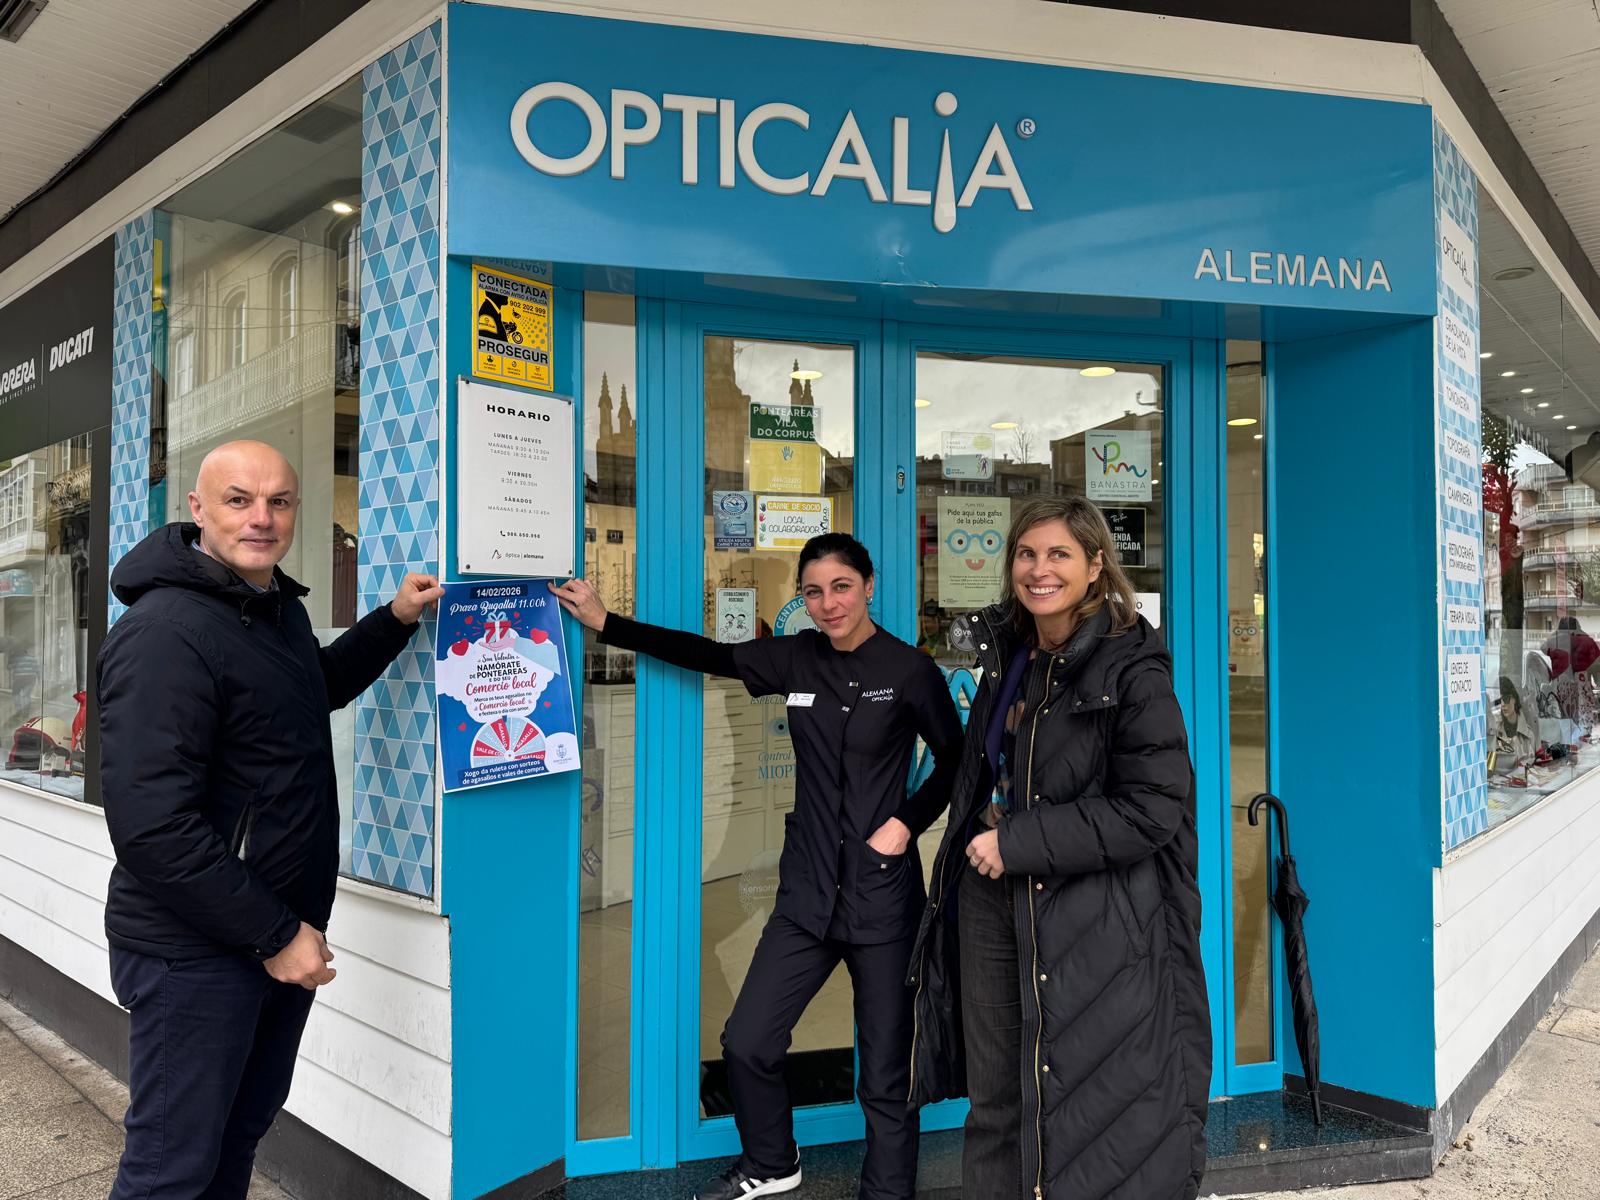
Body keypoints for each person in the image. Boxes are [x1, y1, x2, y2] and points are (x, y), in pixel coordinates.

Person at [552, 532, 962, 1200]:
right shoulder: (794, 658)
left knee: (888, 1071)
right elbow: (707, 654)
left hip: (882, 898)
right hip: (807, 894)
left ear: (868, 586)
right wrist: (607, 623)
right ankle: (772, 1160)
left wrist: (905, 823)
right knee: (748, 1040)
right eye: (813, 592)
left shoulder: (909, 670)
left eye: (842, 587)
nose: (828, 604)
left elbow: (956, 760)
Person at [98, 440, 444, 1200]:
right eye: (239, 500)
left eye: (279, 501)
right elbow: (153, 827)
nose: (262, 518)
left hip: (274, 934)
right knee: (170, 1171)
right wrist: (277, 935)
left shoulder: (272, 609)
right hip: (198, 952)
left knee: (238, 1134)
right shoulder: (165, 634)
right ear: (198, 509)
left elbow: (315, 685)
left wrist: (394, 620)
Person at [907, 496, 1210, 1200]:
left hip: (1089, 912)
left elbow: (1152, 809)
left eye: (1059, 554)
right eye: (1026, 554)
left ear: (1097, 565)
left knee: (1087, 1099)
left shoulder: (1132, 668)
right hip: (992, 899)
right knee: (996, 1100)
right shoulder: (1011, 656)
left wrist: (1016, 841)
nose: (1038, 569)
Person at [1492, 676, 1536, 775]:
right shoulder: (1494, 730)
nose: (1502, 704)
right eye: (1499, 701)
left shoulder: (1528, 735)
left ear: (1514, 699)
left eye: (1506, 699)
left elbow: (1530, 769)